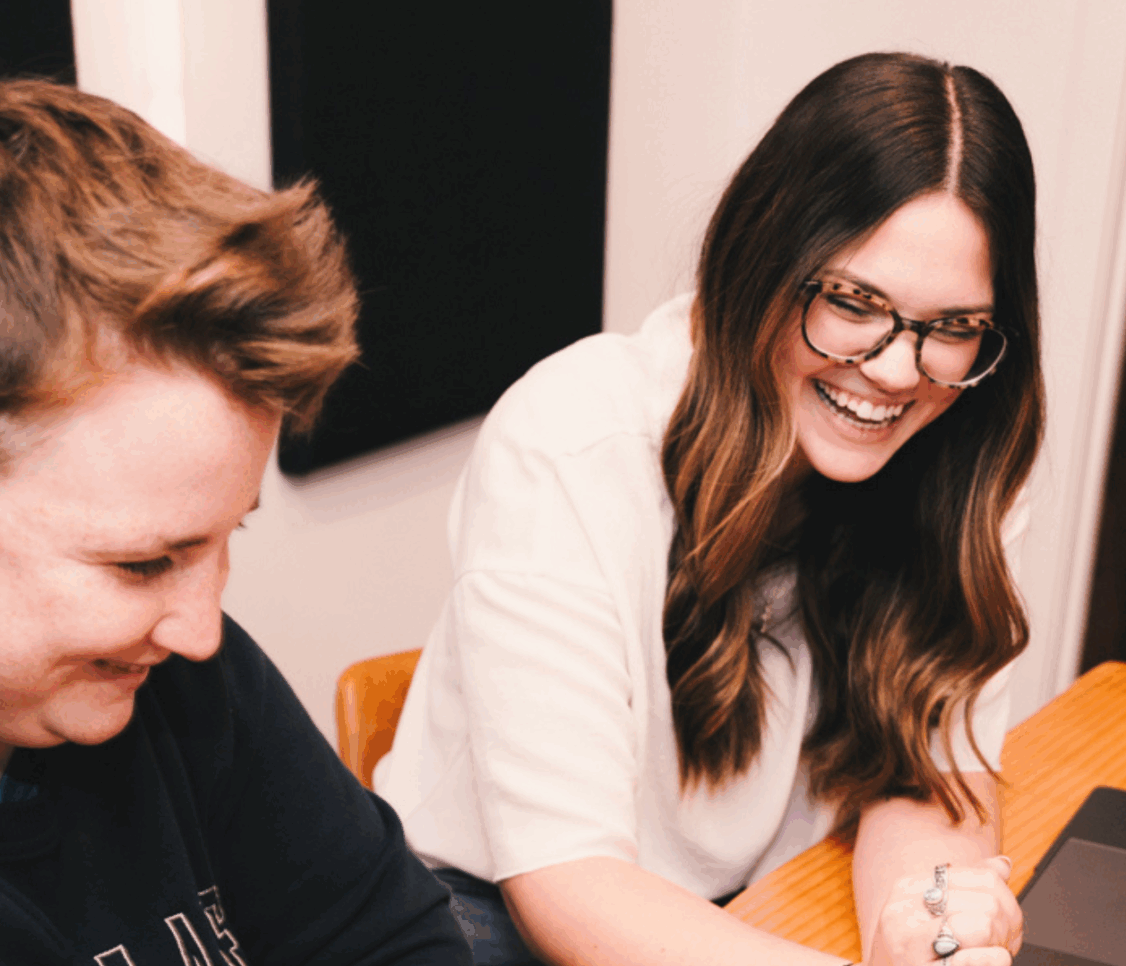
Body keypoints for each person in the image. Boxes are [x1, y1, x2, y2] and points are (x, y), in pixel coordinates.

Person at [377, 52, 1043, 966]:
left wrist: (936, 931)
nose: (896, 371)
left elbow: (922, 781)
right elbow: (570, 889)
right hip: (503, 921)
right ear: (763, 259)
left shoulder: (959, 454)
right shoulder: (571, 441)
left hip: (741, 917)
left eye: (954, 327)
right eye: (854, 301)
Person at [0, 78, 471, 964]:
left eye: (224, 540)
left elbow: (395, 937)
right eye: (142, 564)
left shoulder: (187, 688)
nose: (203, 631)